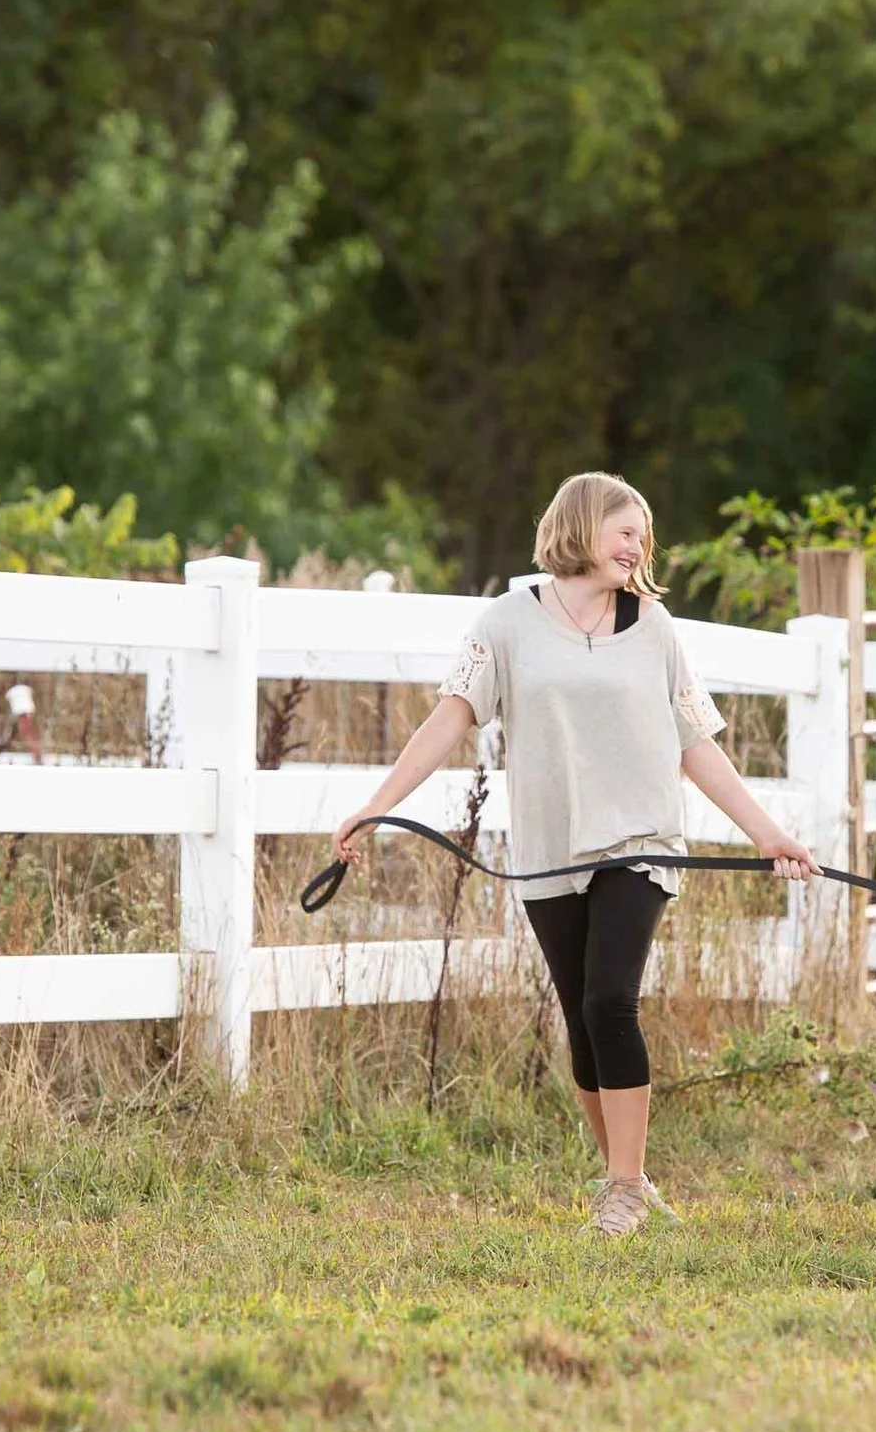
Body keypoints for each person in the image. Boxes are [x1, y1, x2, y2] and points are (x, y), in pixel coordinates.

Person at [334, 471, 818, 1236]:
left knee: (608, 1000)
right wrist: (375, 807)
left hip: (639, 841)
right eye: (625, 530)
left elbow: (700, 748)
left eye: (643, 535)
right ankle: (623, 1180)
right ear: (581, 526)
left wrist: (769, 834)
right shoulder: (506, 623)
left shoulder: (654, 627)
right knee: (581, 1016)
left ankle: (624, 1186)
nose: (638, 546)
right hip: (549, 849)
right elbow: (447, 720)